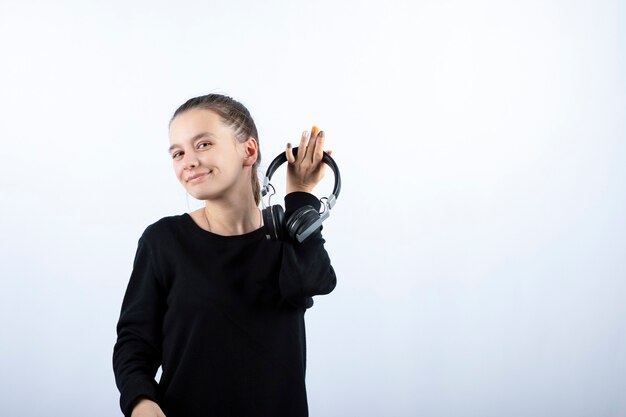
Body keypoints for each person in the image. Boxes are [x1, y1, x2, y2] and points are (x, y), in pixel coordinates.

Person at [112, 93, 337, 417]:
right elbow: (134, 344)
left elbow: (312, 281)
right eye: (178, 152)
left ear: (248, 150)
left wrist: (300, 196)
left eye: (203, 144)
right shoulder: (163, 241)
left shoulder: (286, 238)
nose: (188, 160)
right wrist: (142, 403)